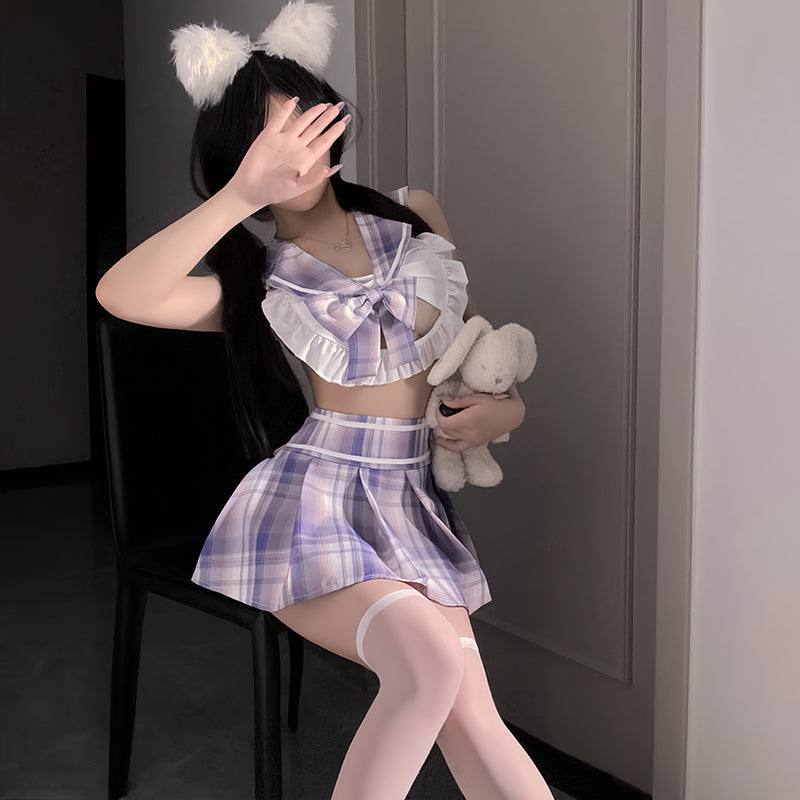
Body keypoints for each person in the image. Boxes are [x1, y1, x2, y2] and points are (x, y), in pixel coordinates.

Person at [95, 3, 554, 798]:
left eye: (305, 127)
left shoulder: (415, 218)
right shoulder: (258, 278)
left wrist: (502, 415)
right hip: (315, 503)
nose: (298, 155)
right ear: (239, 156)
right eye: (271, 143)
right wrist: (240, 196)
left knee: (472, 715)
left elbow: (479, 371)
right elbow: (120, 294)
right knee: (428, 668)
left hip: (412, 501)